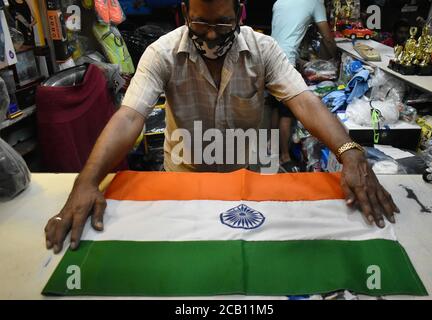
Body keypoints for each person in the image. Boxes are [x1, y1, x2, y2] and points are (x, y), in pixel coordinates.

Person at [45, 0, 399, 254]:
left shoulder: (264, 50)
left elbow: (304, 100)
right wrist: (86, 181)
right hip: (186, 179)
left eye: (223, 24)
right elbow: (128, 116)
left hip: (251, 178)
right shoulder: (161, 53)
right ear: (184, 12)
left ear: (240, 12)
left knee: (267, 262)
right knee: (188, 263)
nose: (211, 38)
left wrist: (351, 154)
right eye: (200, 24)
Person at [271, 0, 338, 172]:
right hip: (285, 63)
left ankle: (271, 149)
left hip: (270, 57)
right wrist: (333, 61)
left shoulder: (280, 2)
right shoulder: (315, 2)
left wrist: (299, 61)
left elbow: (284, 34)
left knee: (276, 108)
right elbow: (327, 39)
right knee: (287, 113)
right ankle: (284, 157)